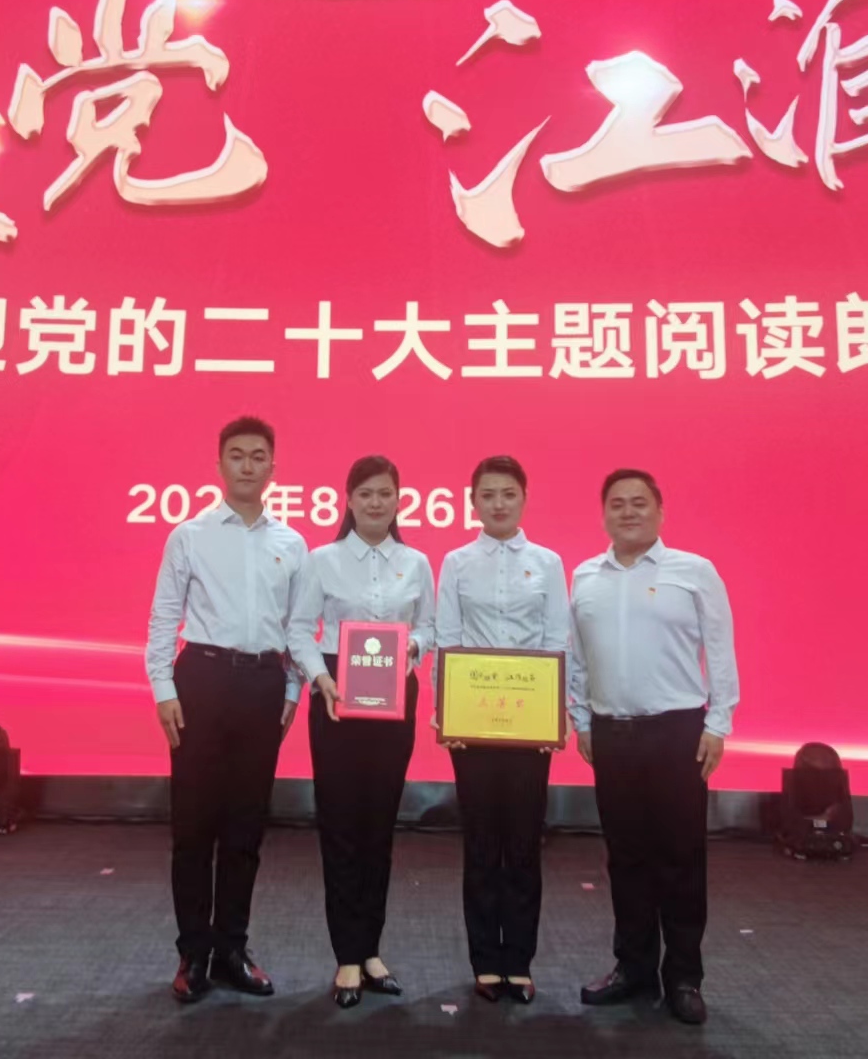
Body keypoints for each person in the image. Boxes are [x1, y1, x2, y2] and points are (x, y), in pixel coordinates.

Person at [147, 416, 309, 1004]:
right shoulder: (188, 535)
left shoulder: (292, 544)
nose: (247, 465)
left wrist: (291, 692)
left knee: (245, 827)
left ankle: (232, 950)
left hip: (264, 683)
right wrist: (163, 686)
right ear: (219, 465)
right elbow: (165, 614)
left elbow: (299, 627)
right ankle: (193, 952)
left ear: (273, 467)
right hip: (202, 680)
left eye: (258, 456)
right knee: (194, 827)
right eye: (237, 455)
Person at [568, 468, 738, 1027]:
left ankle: (684, 976)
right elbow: (577, 657)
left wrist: (718, 723)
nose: (628, 512)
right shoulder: (585, 576)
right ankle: (633, 967)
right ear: (603, 515)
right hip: (611, 732)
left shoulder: (694, 571)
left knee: (681, 858)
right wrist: (580, 719)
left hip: (677, 733)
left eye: (639, 502)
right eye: (617, 503)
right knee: (626, 858)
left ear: (660, 511)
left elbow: (721, 649)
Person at [288, 455, 434, 1008]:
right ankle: (346, 955)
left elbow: (431, 626)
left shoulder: (416, 562)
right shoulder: (322, 560)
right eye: (366, 493)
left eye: (385, 493)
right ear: (348, 500)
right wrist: (320, 678)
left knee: (378, 827)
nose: (376, 502)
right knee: (341, 826)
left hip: (394, 697)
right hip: (336, 697)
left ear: (399, 500)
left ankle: (371, 949)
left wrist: (412, 647)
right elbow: (298, 630)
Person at [433, 454, 570, 1006]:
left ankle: (520, 961)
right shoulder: (457, 562)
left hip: (530, 725)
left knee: (524, 843)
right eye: (487, 495)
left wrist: (555, 714)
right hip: (473, 725)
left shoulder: (548, 562)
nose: (498, 503)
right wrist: (448, 712)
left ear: (524, 499)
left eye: (508, 493)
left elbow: (556, 638)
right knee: (482, 842)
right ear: (473, 503)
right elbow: (447, 637)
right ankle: (485, 960)